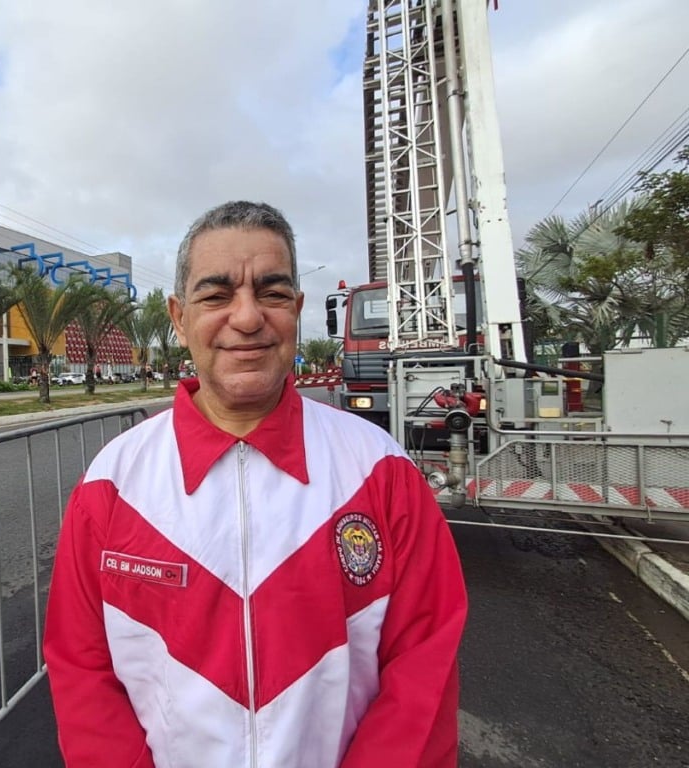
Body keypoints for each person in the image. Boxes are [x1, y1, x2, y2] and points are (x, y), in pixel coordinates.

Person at [43, 201, 467, 767]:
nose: (246, 318)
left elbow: (423, 670)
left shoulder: (381, 470)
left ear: (296, 308)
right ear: (177, 316)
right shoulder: (112, 485)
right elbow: (83, 671)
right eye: (216, 295)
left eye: (270, 293)